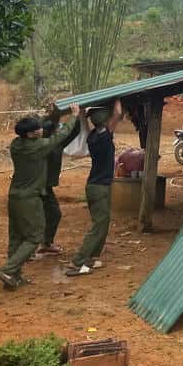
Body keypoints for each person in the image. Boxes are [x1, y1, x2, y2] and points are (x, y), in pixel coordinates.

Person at [0, 104, 81, 290]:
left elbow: (37, 128)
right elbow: (61, 136)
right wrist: (74, 116)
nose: (42, 129)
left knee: (16, 237)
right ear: (31, 134)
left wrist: (54, 114)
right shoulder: (39, 147)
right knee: (34, 237)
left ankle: (14, 277)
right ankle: (9, 270)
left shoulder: (16, 144)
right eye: (38, 129)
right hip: (29, 198)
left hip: (14, 197)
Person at [67, 101, 122, 276]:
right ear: (105, 121)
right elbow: (118, 114)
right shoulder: (105, 137)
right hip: (99, 188)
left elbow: (106, 118)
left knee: (103, 223)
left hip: (94, 186)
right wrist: (117, 97)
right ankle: (77, 261)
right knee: (99, 225)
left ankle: (91, 258)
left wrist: (82, 112)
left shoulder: (92, 137)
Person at [34, 111, 82, 258]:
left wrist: (60, 114)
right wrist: (75, 115)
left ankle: (45, 243)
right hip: (35, 187)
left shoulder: (51, 144)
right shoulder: (45, 145)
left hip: (44, 187)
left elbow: (74, 131)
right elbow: (71, 131)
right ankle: (29, 249)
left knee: (52, 214)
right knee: (35, 218)